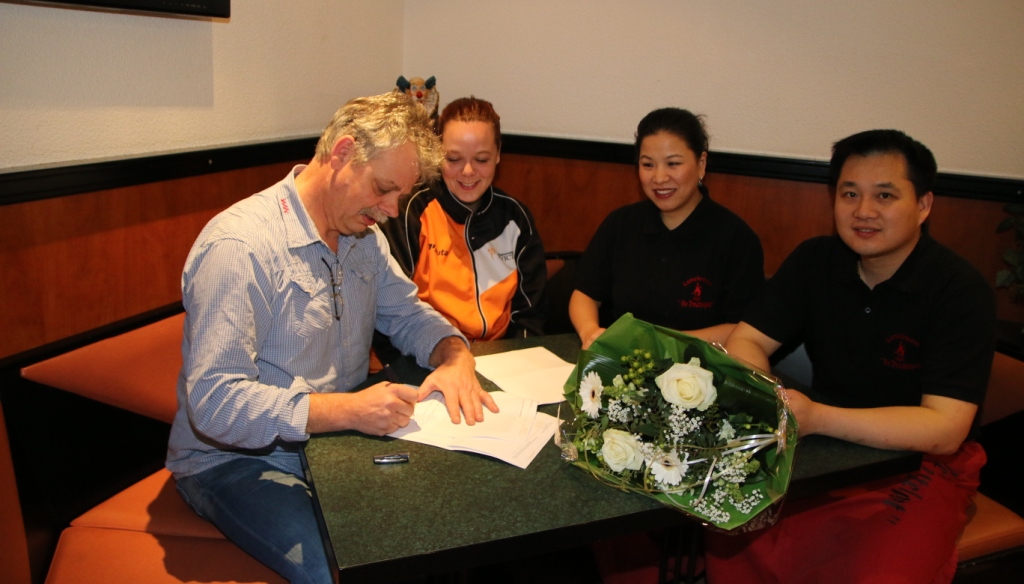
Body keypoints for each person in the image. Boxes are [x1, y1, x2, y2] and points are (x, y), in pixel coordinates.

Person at [165, 92, 498, 584]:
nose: (391, 210)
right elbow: (214, 404)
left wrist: (455, 356)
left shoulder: (363, 235)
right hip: (232, 460)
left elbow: (407, 314)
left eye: (400, 195)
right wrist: (346, 411)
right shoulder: (239, 247)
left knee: (445, 526)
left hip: (332, 444)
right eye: (383, 189)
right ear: (342, 153)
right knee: (343, 569)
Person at [706, 129, 996, 583]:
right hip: (822, 450)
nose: (864, 211)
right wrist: (770, 400)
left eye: (885, 195)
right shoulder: (815, 260)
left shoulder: (960, 290)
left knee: (872, 571)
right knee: (735, 532)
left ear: (924, 205)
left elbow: (944, 430)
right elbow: (747, 340)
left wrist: (819, 417)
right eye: (850, 194)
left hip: (921, 464)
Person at [569, 108, 764, 349]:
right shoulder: (621, 223)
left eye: (673, 163)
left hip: (699, 366)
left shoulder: (735, 238)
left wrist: (664, 343)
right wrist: (590, 332)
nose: (659, 178)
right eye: (648, 164)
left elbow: (744, 328)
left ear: (701, 164)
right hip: (623, 361)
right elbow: (585, 293)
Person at [381, 96, 547, 342]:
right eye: (454, 159)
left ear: (498, 155)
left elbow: (530, 317)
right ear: (437, 154)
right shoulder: (409, 211)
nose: (468, 171)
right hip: (427, 352)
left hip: (501, 355)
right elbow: (393, 312)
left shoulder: (516, 218)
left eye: (481, 159)